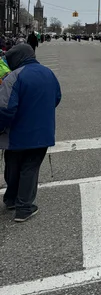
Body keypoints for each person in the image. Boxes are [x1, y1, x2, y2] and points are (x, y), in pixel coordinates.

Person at [0, 44, 61, 222]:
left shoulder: (14, 77)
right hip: (42, 131)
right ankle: (24, 206)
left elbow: (5, 108)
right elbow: (57, 97)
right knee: (30, 168)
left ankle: (12, 200)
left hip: (16, 133)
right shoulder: (48, 73)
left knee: (13, 165)